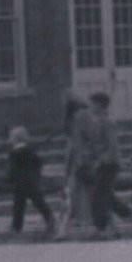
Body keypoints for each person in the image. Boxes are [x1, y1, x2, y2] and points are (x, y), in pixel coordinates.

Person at [80, 92, 132, 238]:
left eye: (92, 103)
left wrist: (101, 161)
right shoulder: (99, 121)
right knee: (106, 196)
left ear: (99, 105)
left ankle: (101, 229)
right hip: (102, 163)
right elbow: (98, 144)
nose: (90, 107)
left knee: (99, 196)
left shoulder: (108, 122)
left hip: (109, 164)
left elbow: (112, 145)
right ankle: (130, 218)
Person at [6, 126, 56, 239]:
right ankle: (50, 219)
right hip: (31, 182)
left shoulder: (14, 153)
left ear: (15, 139)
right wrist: (36, 175)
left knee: (19, 206)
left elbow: (12, 169)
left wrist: (10, 178)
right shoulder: (30, 151)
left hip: (19, 183)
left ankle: (16, 227)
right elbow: (39, 162)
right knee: (39, 202)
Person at [59, 91, 92, 236]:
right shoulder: (76, 117)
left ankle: (82, 217)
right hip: (76, 154)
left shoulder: (81, 117)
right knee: (76, 188)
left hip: (81, 155)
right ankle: (78, 216)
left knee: (80, 187)